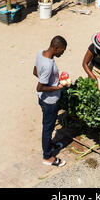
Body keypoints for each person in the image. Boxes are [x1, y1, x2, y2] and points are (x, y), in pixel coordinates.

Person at [33, 35, 68, 167]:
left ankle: (49, 144)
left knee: (48, 125)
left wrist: (50, 80)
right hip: (50, 102)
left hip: (42, 98)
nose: (62, 53)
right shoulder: (48, 65)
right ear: (56, 47)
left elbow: (35, 71)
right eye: (62, 50)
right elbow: (40, 86)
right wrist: (57, 86)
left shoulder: (40, 53)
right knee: (48, 128)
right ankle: (47, 157)